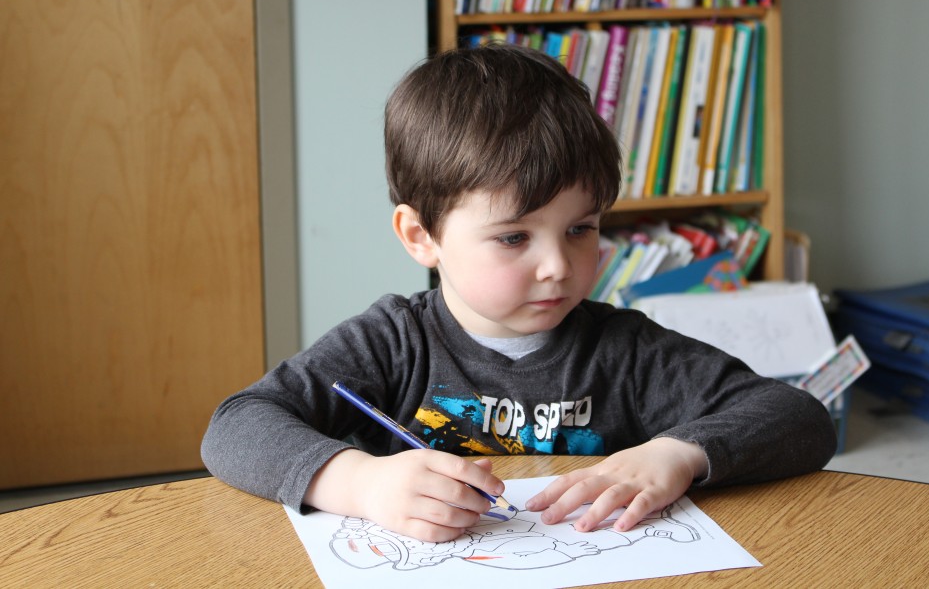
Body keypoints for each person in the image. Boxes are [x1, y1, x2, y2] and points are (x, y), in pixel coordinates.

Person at [201, 43, 837, 543]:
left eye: (581, 229)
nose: (558, 266)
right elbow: (236, 426)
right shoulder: (391, 343)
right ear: (421, 235)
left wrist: (679, 453)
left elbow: (800, 417)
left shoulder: (627, 352)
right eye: (513, 238)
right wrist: (361, 483)